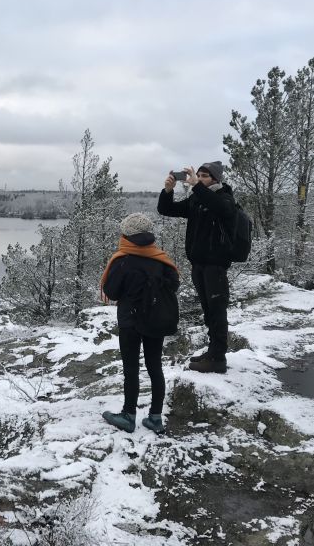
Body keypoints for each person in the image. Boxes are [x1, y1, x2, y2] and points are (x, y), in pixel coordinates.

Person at [100, 213, 180, 434]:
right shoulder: (161, 258)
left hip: (130, 321)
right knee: (155, 367)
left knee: (131, 369)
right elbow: (174, 284)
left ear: (126, 234)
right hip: (156, 320)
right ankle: (155, 417)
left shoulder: (123, 259)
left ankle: (128, 415)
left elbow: (111, 291)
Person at [157, 161, 236, 374]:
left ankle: (218, 358)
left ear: (216, 179)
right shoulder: (197, 199)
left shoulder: (225, 197)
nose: (200, 179)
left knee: (217, 310)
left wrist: (196, 187)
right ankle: (212, 352)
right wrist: (168, 191)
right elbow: (167, 209)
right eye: (198, 175)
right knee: (208, 310)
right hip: (198, 264)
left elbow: (221, 209)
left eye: (205, 176)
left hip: (216, 266)